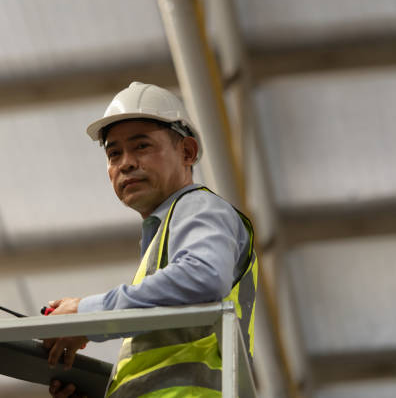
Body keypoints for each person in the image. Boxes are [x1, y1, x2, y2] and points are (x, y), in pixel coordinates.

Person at [43, 82, 258, 398]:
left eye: (141, 146)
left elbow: (204, 276)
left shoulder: (198, 206)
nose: (125, 163)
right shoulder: (161, 246)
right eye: (113, 153)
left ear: (187, 152)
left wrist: (86, 313)